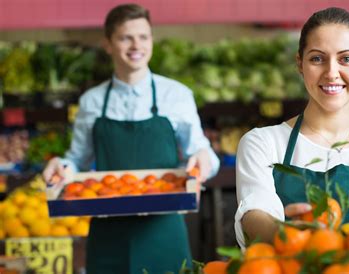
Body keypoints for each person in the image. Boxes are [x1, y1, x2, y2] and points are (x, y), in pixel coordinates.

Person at [42, 4, 219, 273]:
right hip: (108, 231)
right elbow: (78, 159)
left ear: (151, 40)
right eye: (126, 37)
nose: (136, 45)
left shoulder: (177, 95)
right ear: (108, 44)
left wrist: (204, 158)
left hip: (163, 228)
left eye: (144, 37)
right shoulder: (91, 101)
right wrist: (62, 167)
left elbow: (201, 152)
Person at [234, 7, 349, 249]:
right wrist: (285, 234)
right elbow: (254, 214)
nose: (331, 73)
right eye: (317, 58)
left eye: (346, 59)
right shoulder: (263, 144)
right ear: (300, 64)